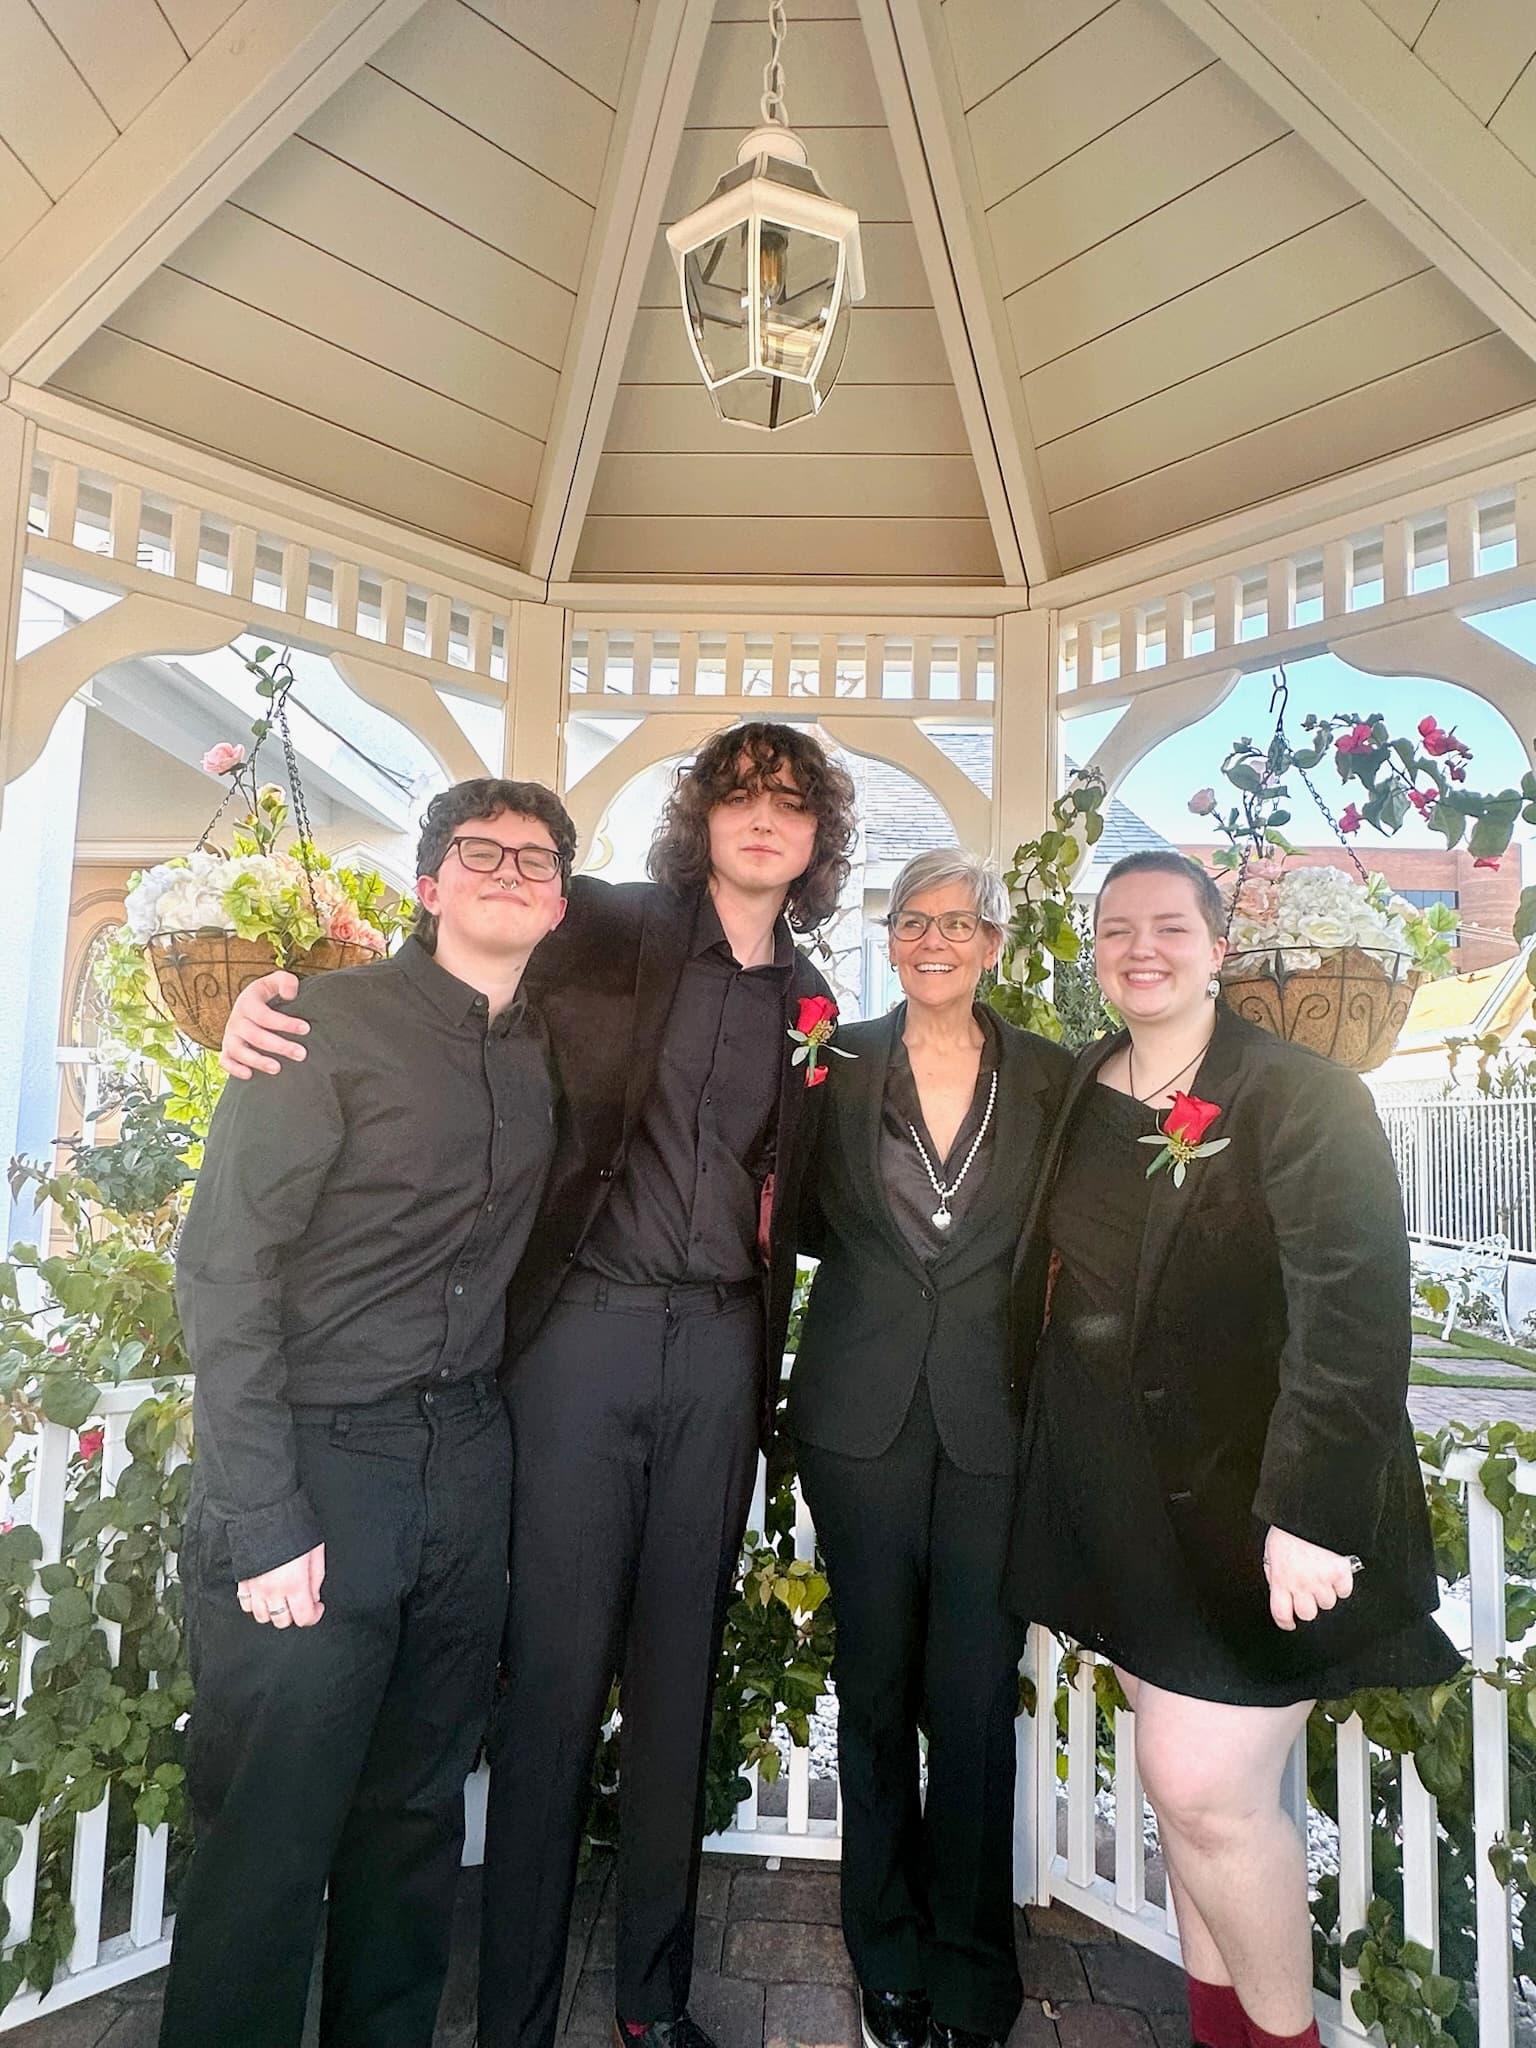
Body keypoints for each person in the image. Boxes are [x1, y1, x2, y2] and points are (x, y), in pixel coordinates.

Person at [217, 721, 858, 2048]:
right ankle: (513, 2014)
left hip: (723, 1357)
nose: (760, 817)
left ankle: (653, 2004)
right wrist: (274, 997)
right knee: (557, 1677)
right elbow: (453, 964)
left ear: (816, 840)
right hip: (582, 1343)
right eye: (737, 793)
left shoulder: (811, 999)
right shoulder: (603, 926)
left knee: (679, 1677)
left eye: (789, 803)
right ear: (699, 817)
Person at [1006, 849, 1460, 2048]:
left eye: (1169, 926)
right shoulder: (1083, 1085)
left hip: (1257, 1512)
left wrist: (1313, 1511)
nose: (1139, 948)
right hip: (1124, 1502)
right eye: (1115, 930)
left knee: (1205, 1791)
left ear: (1219, 946)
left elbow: (1354, 1309)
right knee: (1194, 1797)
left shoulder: (1298, 1093)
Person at [161, 778, 576, 2048]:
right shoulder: (317, 1026)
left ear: (562, 898)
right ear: (427, 882)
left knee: (413, 1821)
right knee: (272, 1830)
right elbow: (221, 1268)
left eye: (537, 857)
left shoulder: (548, 1045)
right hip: (319, 1465)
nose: (510, 871)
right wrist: (262, 1514)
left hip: (465, 1467)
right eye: (479, 850)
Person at [788, 848, 1071, 2048]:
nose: (936, 939)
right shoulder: (830, 1061)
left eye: (961, 922)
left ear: (995, 943)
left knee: (967, 1697)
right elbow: (784, 1215)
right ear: (889, 934)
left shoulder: (1055, 1079)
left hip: (992, 1424)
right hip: (859, 1418)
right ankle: (886, 1946)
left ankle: (972, 1958)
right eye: (915, 920)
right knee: (875, 1689)